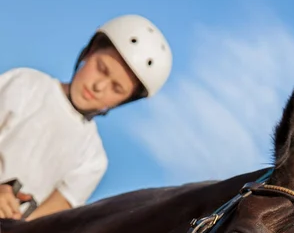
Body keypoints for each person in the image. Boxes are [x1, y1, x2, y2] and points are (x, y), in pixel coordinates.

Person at [0, 15, 172, 220]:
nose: (99, 87)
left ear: (124, 101)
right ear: (88, 53)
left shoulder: (93, 159)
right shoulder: (26, 84)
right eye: (101, 68)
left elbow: (39, 224)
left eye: (116, 88)